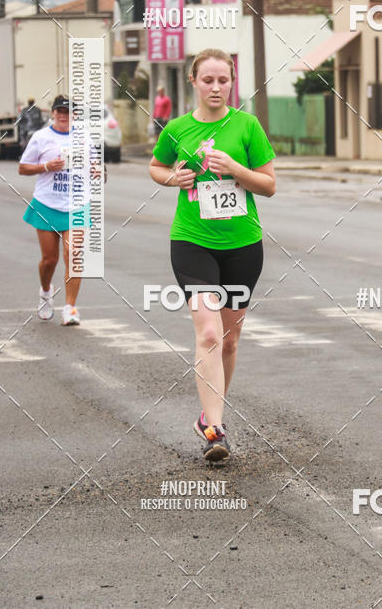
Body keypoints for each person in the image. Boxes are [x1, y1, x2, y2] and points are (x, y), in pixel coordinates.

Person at [149, 49, 276, 461]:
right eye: (208, 80)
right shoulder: (178, 128)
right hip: (192, 240)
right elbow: (156, 166)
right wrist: (173, 177)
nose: (216, 88)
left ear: (232, 82)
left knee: (229, 340)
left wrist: (235, 169)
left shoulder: (247, 125)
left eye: (224, 80)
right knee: (207, 332)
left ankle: (208, 412)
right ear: (193, 81)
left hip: (242, 246)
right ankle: (215, 433)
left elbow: (269, 185)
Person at [19, 96, 88, 325]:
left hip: (77, 204)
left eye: (67, 111)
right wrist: (46, 166)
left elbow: (98, 168)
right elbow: (23, 168)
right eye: (59, 111)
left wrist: (99, 172)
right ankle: (46, 291)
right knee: (50, 260)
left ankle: (70, 308)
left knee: (74, 255)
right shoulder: (41, 137)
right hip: (47, 204)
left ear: (74, 114)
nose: (63, 115)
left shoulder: (85, 137)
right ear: (53, 112)